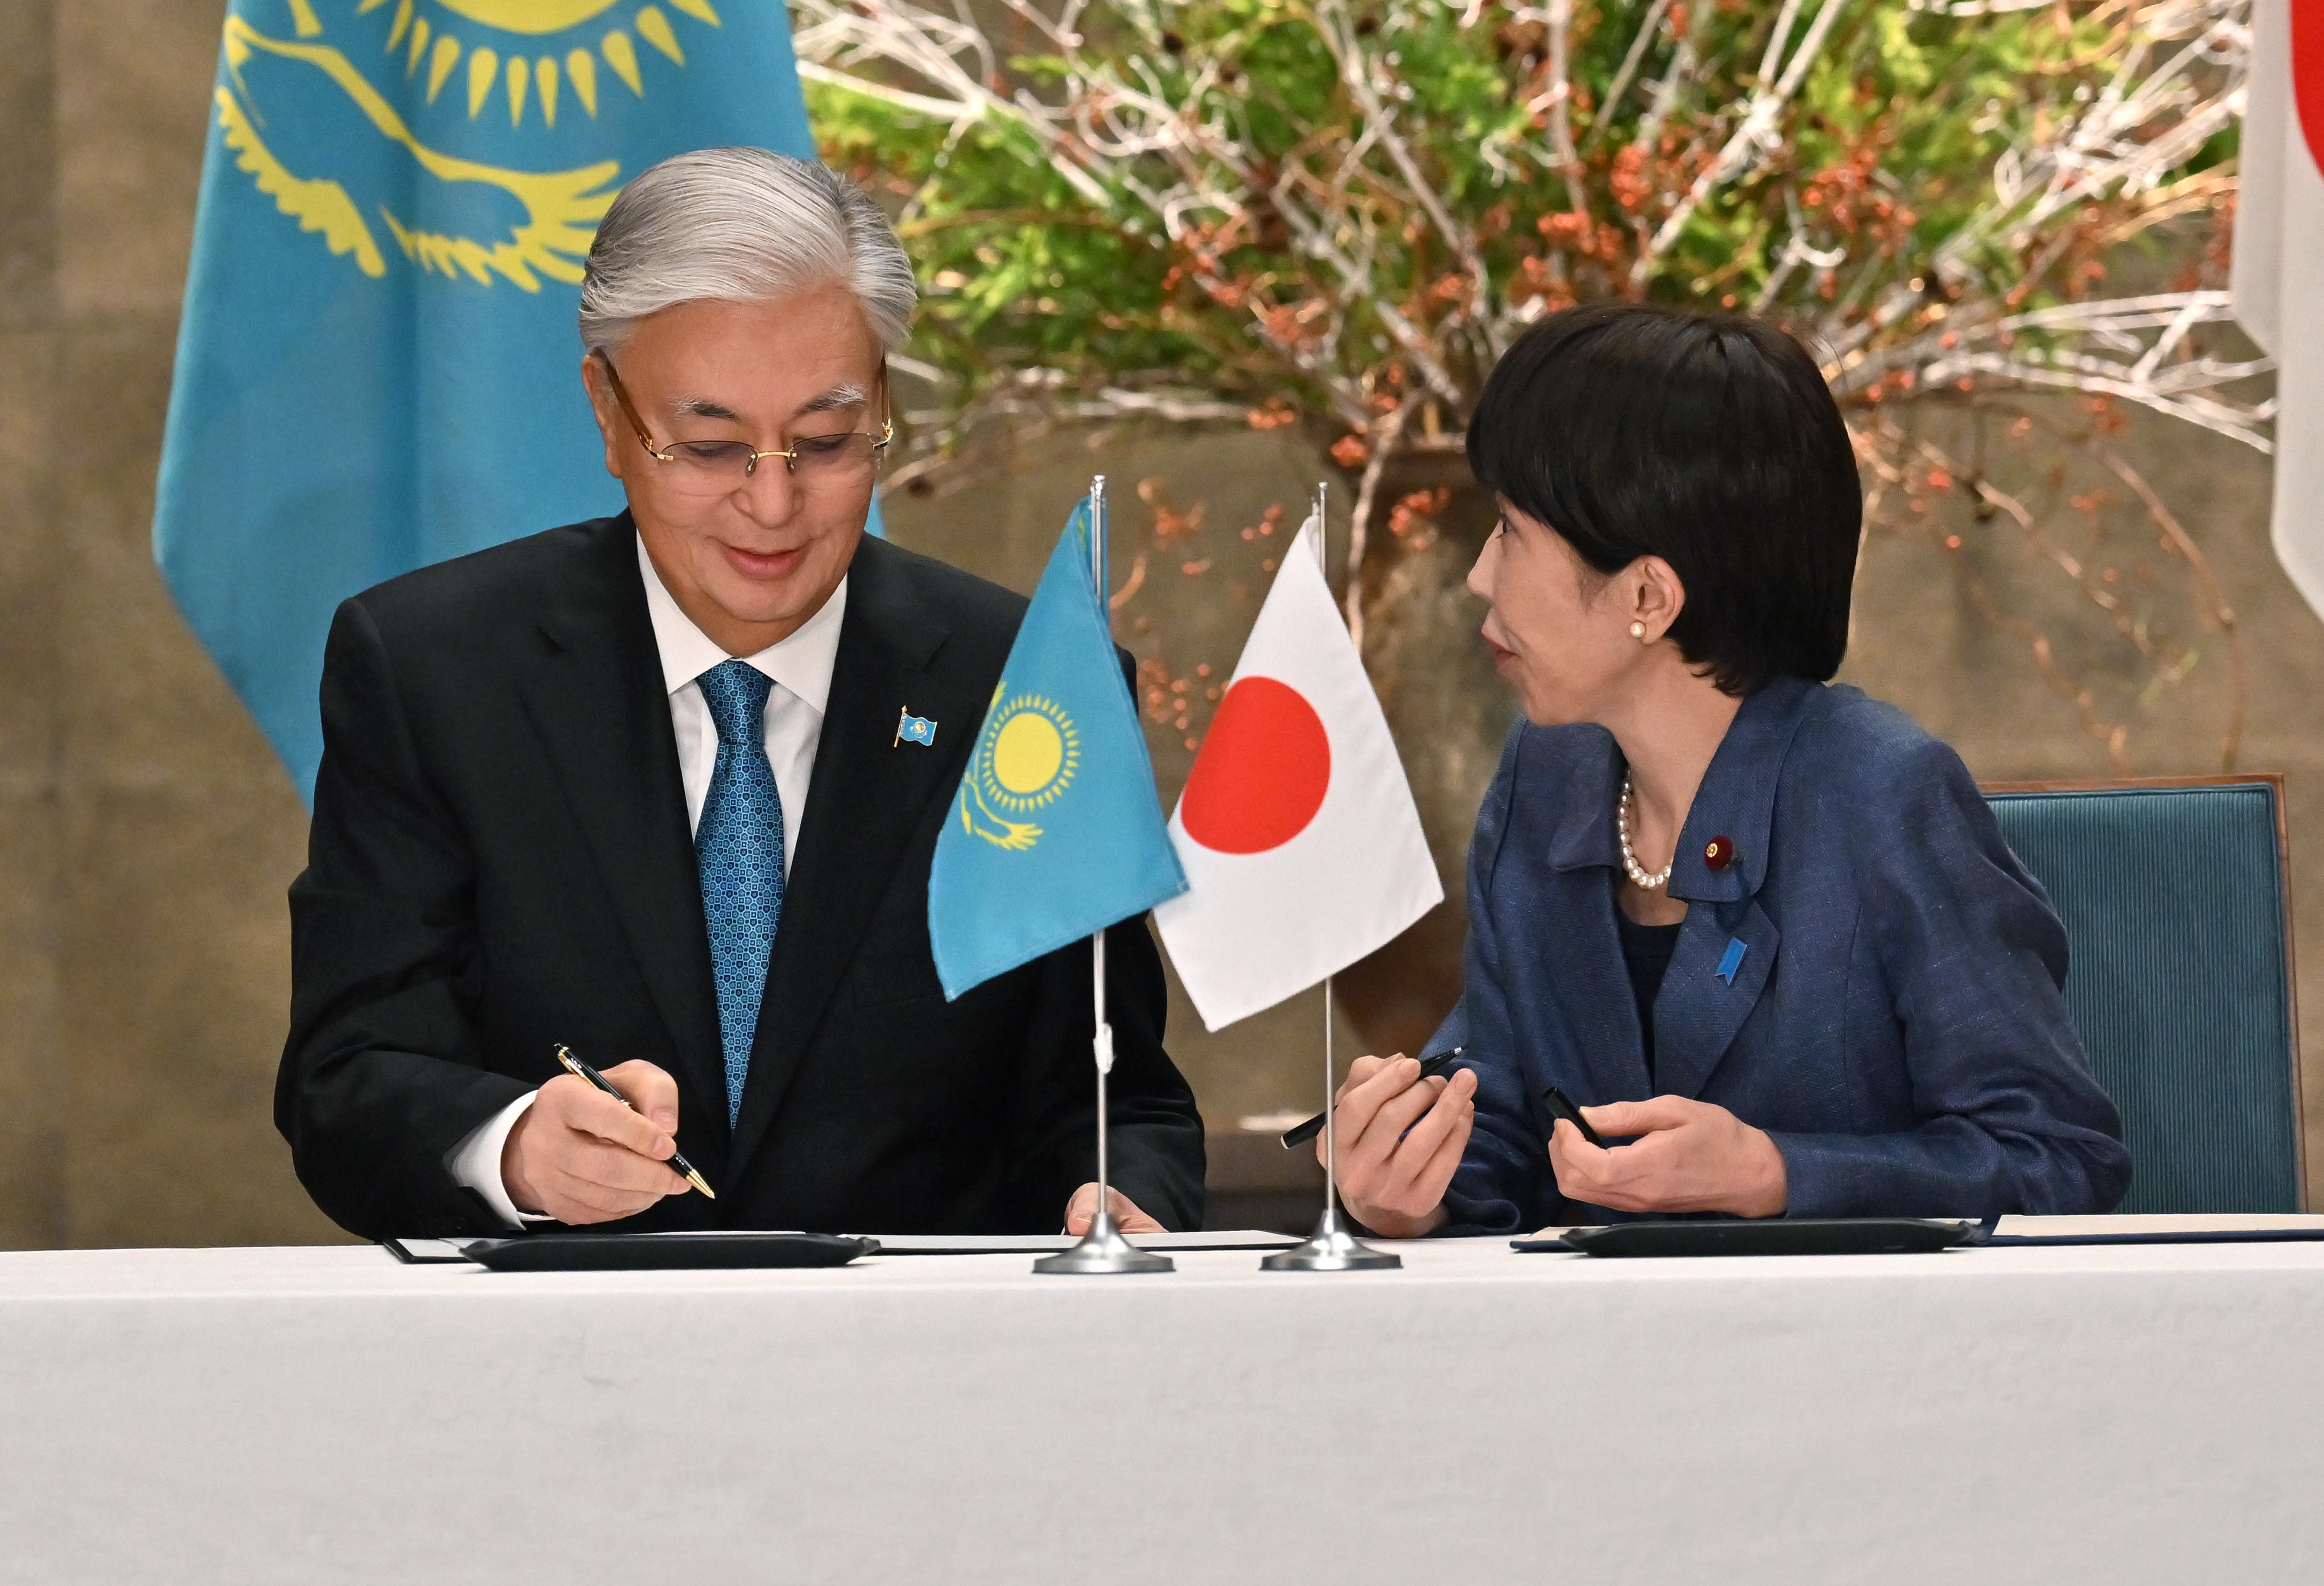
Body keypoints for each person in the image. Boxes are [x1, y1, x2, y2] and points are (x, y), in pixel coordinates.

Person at [275, 149, 1204, 1239]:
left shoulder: (1028, 686)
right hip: (567, 1333)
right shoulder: (435, 670)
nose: (772, 504)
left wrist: (1119, 1200)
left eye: (825, 441)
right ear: (608, 412)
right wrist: (516, 1146)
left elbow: (1115, 1101)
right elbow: (348, 1075)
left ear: (883, 402)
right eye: (711, 447)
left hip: (925, 1335)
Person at [1321, 302, 2130, 1236]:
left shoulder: (1883, 794)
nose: (1477, 576)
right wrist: (1406, 1189)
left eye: (1508, 531)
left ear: (1648, 596)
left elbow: (2060, 1159)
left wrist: (1777, 1174)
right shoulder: (1548, 778)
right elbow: (1500, 1126)